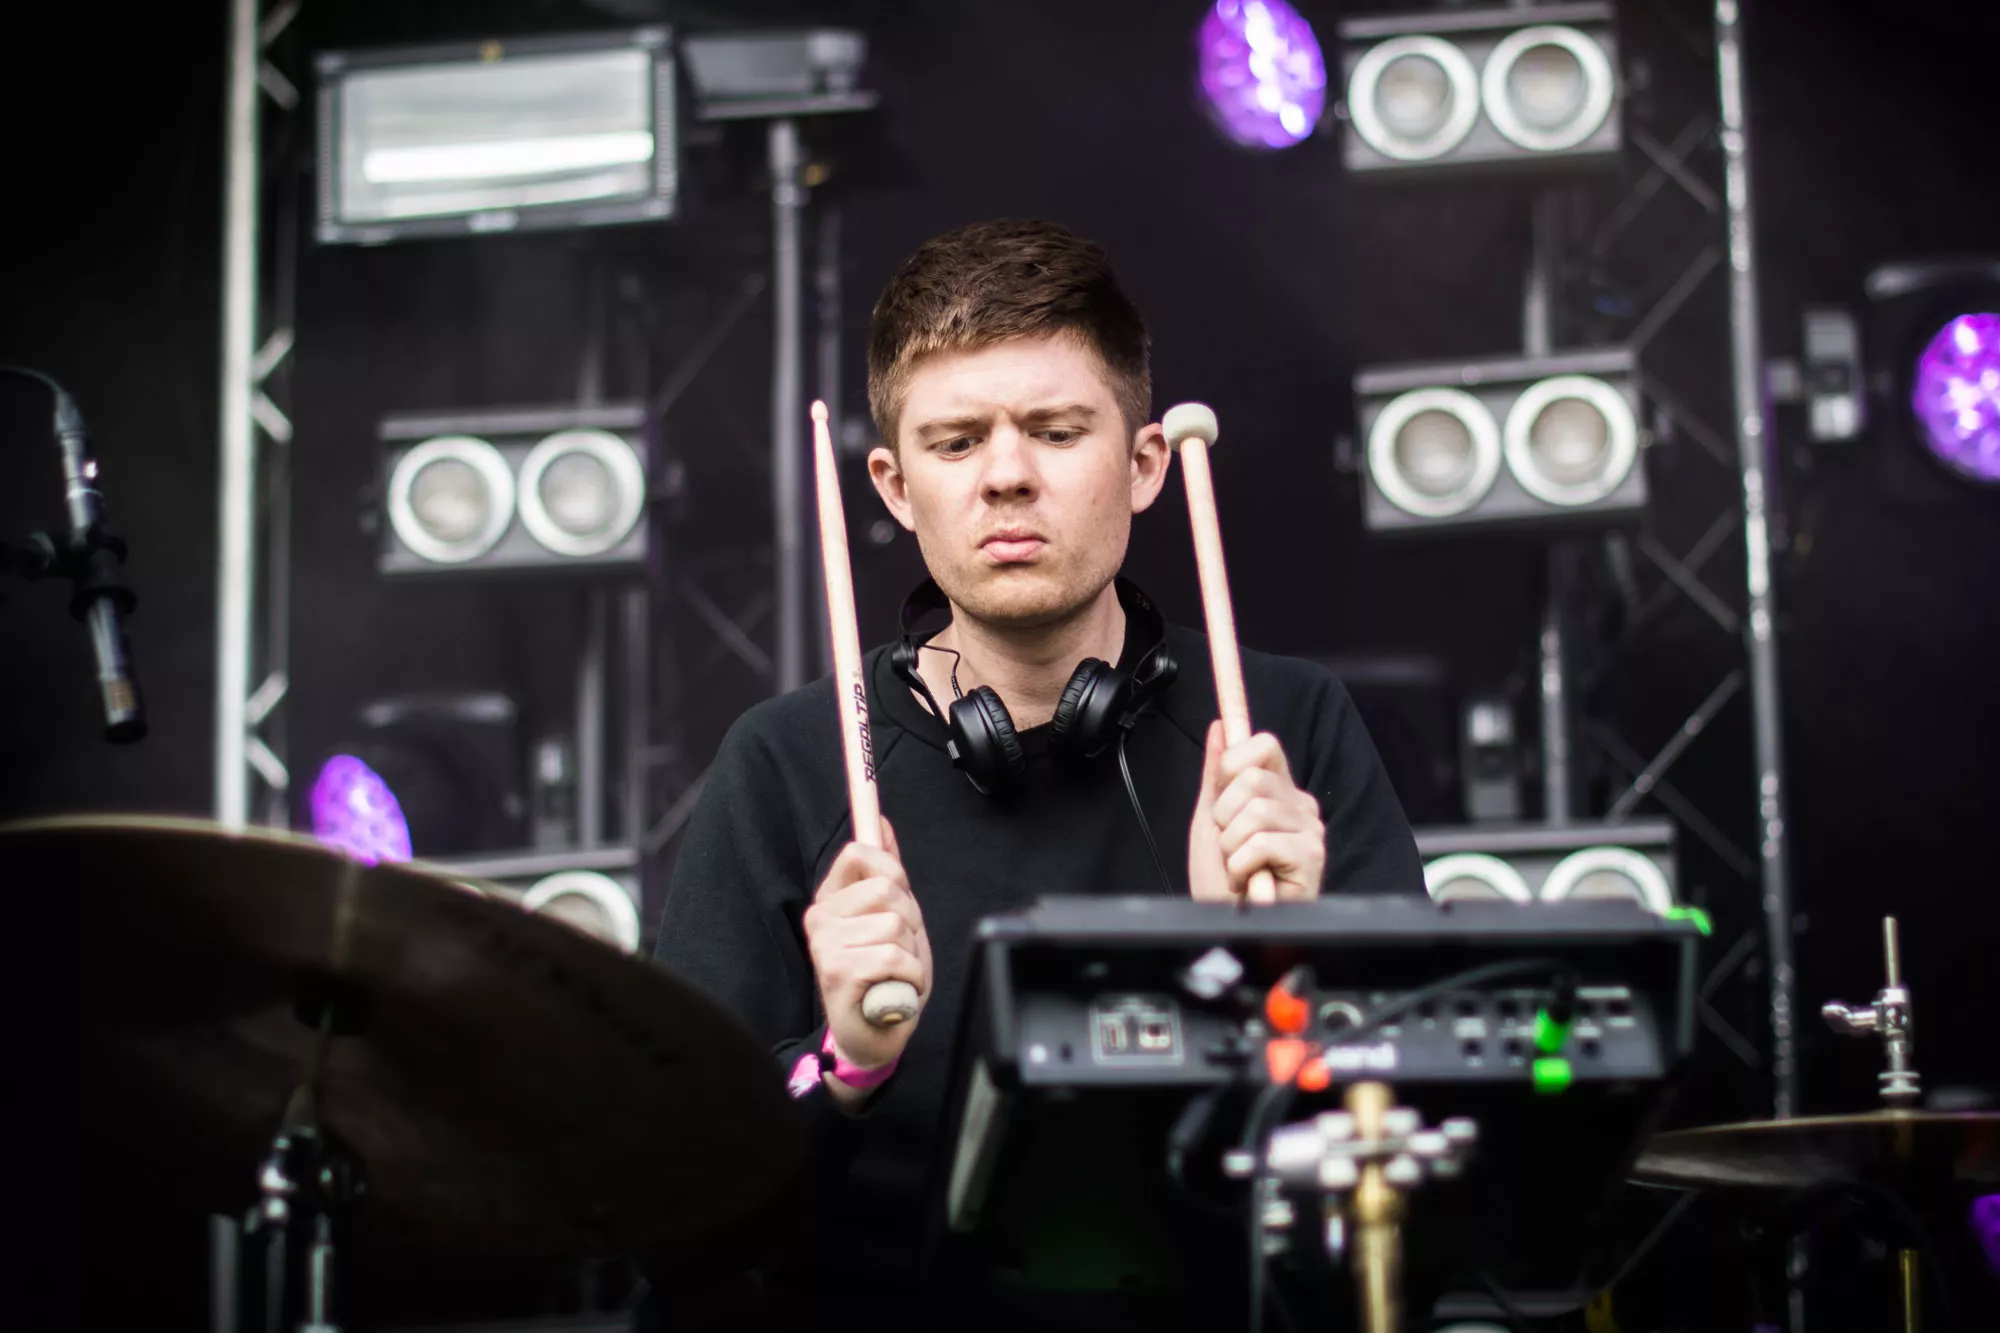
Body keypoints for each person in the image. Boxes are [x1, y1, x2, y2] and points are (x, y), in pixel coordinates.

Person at [644, 219, 1424, 1331]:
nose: (1006, 476)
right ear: (894, 486)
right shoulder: (785, 765)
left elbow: (1418, 1163)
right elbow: (675, 1216)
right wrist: (843, 1064)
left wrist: (1279, 970)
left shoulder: (1277, 732)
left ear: (1145, 464)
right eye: (955, 442)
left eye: (1055, 432)